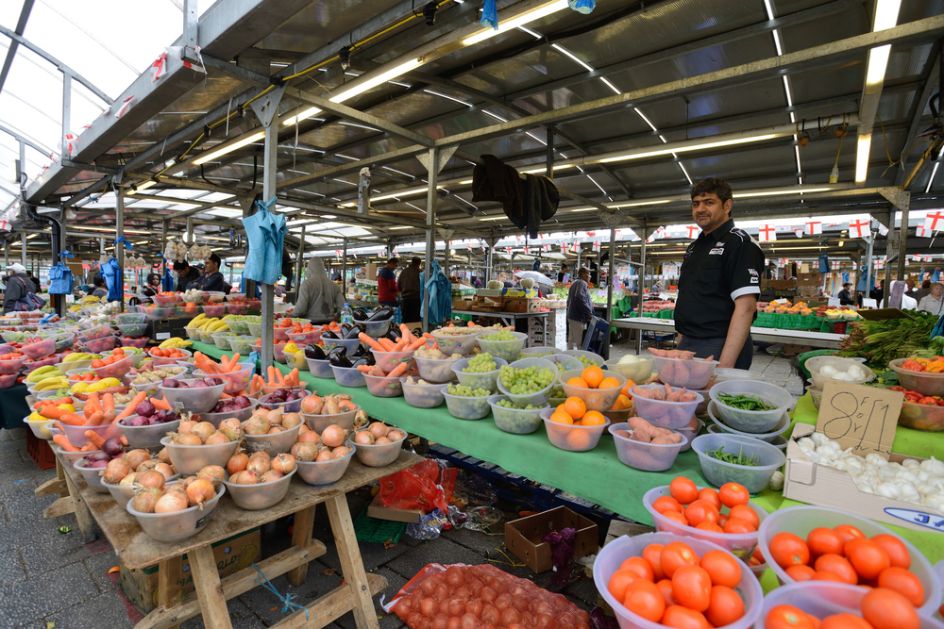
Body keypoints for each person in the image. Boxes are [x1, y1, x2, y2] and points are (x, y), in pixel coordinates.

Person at [675, 177, 765, 370]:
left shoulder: (740, 244)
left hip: (719, 344)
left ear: (727, 206)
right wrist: (681, 339)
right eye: (695, 204)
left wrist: (725, 366)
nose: (700, 209)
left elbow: (746, 307)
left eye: (709, 202)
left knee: (712, 399)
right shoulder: (694, 247)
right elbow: (690, 295)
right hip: (688, 342)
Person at [295, 258, 344, 323]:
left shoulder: (306, 284)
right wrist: (336, 317)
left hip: (310, 325)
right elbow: (343, 308)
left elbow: (300, 310)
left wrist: (290, 315)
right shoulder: (335, 286)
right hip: (330, 325)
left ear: (310, 269)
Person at [567, 267, 593, 349]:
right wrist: (589, 312)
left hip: (572, 315)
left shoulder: (575, 283)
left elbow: (569, 300)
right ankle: (579, 358)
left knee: (571, 340)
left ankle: (569, 356)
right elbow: (579, 298)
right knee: (579, 343)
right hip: (577, 317)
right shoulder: (582, 283)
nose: (590, 276)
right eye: (589, 274)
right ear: (583, 275)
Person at [397, 257, 422, 323]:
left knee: (405, 319)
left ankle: (404, 332)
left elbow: (398, 285)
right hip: (416, 299)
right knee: (415, 319)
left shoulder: (404, 271)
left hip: (405, 299)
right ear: (419, 263)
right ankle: (414, 332)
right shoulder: (420, 273)